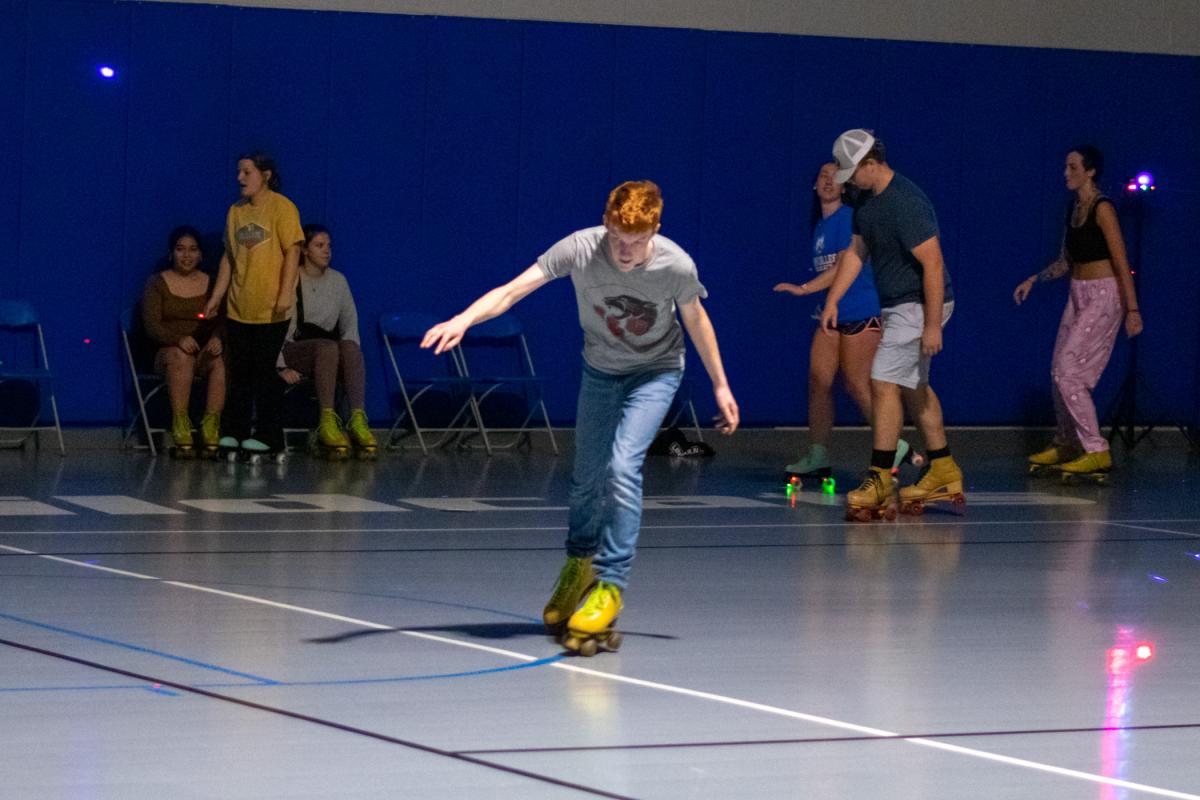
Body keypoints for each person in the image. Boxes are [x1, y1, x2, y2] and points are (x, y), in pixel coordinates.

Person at [422, 180, 739, 654]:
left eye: (637, 242)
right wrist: (463, 320)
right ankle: (579, 565)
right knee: (585, 479)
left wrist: (719, 382)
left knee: (622, 467)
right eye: (618, 239)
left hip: (655, 373)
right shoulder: (579, 247)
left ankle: (610, 585)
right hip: (602, 372)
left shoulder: (675, 264)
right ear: (607, 224)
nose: (626, 252)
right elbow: (513, 291)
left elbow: (695, 318)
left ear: (655, 228)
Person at [820, 129, 963, 519]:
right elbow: (855, 253)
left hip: (920, 305)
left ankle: (881, 475)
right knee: (915, 387)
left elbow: (932, 264)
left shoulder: (906, 202)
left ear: (871, 163)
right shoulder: (865, 203)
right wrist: (832, 300)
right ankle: (945, 468)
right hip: (899, 305)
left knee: (883, 381)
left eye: (854, 173)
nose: (850, 183)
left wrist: (933, 324)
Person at [1013, 145, 1142, 478]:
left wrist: (1132, 309)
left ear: (1090, 171)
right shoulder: (1074, 208)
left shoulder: (1103, 209)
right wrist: (1034, 278)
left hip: (1105, 296)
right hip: (1079, 294)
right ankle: (1068, 441)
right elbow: (1065, 261)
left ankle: (1097, 450)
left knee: (1069, 372)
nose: (1065, 173)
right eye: (1065, 167)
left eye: (1072, 167)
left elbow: (1120, 261)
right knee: (1058, 369)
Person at [775, 161, 910, 479]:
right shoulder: (821, 227)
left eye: (835, 176)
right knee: (818, 380)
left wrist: (805, 288)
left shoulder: (849, 218)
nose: (828, 180)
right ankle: (819, 454)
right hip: (832, 314)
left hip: (861, 311)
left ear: (846, 184)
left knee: (857, 383)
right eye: (822, 174)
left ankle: (895, 446)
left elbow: (843, 267)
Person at [204, 153, 303, 462]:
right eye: (239, 172)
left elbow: (293, 252)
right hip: (238, 308)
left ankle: (269, 437)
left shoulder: (282, 208)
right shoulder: (235, 212)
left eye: (247, 172)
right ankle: (234, 432)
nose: (240, 178)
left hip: (270, 310)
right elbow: (229, 258)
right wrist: (217, 297)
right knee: (240, 374)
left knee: (263, 372)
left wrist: (286, 292)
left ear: (266, 175)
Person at [278, 224, 377, 459]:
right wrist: (281, 365)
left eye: (329, 246)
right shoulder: (293, 278)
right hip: (297, 349)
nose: (326, 251)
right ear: (304, 250)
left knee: (349, 346)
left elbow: (350, 326)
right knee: (327, 347)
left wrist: (349, 357)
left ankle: (357, 419)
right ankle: (326, 420)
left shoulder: (338, 281)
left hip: (329, 351)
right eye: (319, 246)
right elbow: (279, 327)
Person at [141, 226, 225, 457]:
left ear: (200, 254)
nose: (187, 255)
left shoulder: (212, 283)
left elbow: (222, 319)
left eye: (192, 250)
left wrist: (217, 338)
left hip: (202, 352)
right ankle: (181, 423)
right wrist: (178, 339)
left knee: (220, 360)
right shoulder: (156, 283)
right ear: (172, 253)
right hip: (169, 354)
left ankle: (210, 424)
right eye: (180, 249)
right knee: (181, 357)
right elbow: (152, 326)